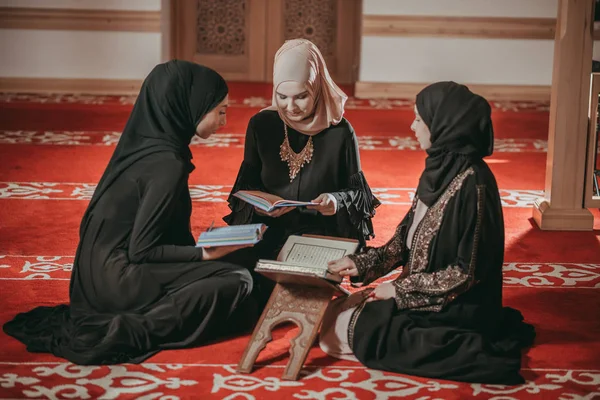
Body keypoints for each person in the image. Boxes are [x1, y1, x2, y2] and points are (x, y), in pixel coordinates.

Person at [3, 60, 254, 365]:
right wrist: (204, 255)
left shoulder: (142, 146)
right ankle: (132, 329)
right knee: (238, 279)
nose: (224, 122)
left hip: (90, 282)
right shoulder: (167, 165)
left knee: (234, 266)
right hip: (119, 280)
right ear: (189, 106)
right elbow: (142, 250)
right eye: (220, 111)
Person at [320, 81, 536, 385]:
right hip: (423, 291)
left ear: (444, 126)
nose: (412, 126)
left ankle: (465, 347)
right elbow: (405, 237)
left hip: (454, 305)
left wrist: (398, 291)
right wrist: (364, 264)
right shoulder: (439, 169)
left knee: (352, 327)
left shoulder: (475, 186)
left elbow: (466, 274)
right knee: (334, 314)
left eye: (419, 119)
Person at [224, 39, 380, 304]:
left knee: (301, 287)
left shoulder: (340, 132)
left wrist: (335, 201)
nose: (291, 107)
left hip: (320, 233)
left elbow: (359, 195)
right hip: (269, 229)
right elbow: (245, 186)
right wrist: (259, 205)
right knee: (235, 281)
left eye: (301, 96)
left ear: (316, 88)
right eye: (282, 97)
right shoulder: (262, 125)